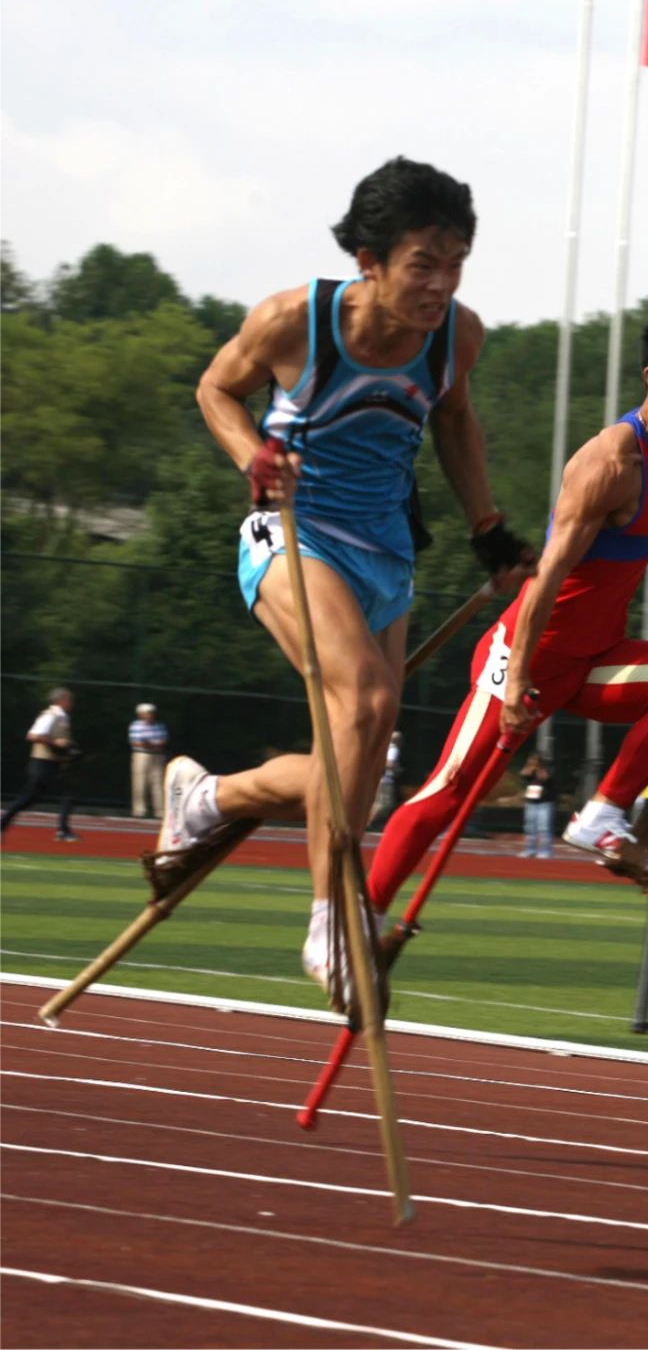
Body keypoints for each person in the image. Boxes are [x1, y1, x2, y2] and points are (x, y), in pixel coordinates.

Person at [146, 157, 534, 993]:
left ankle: (205, 800)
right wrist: (254, 453)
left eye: (455, 262)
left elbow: (457, 420)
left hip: (385, 555)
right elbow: (216, 389)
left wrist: (489, 529)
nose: (440, 284)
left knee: (354, 774)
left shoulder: (456, 337)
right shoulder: (296, 321)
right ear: (370, 260)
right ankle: (332, 929)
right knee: (365, 703)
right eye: (422, 263)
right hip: (293, 534)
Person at [364, 308, 648, 918]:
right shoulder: (612, 462)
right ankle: (360, 918)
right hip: (527, 660)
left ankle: (602, 814)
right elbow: (544, 582)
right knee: (448, 794)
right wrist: (515, 684)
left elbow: (643, 517)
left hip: (591, 661)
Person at [1, 687, 79, 841]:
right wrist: (55, 744)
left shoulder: (61, 717)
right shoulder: (50, 716)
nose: (71, 703)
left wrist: (66, 751)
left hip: (50, 764)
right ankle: (63, 831)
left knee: (31, 798)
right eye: (69, 700)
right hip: (42, 764)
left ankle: (62, 830)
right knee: (63, 794)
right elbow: (32, 736)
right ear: (61, 700)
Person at [128, 702, 169, 819]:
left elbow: (163, 741)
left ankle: (159, 811)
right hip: (141, 755)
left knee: (158, 783)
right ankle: (139, 811)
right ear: (141, 714)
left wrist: (150, 744)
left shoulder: (160, 725)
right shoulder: (135, 725)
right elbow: (135, 742)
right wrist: (153, 744)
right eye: (148, 713)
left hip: (157, 755)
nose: (151, 715)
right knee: (139, 782)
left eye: (152, 713)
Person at [519, 753, 557, 859]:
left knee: (543, 828)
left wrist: (539, 768)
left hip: (544, 803)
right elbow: (523, 773)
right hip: (531, 802)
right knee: (529, 828)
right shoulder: (530, 770)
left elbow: (544, 777)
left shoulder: (547, 769)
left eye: (535, 761)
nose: (533, 764)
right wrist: (530, 767)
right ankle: (530, 850)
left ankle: (545, 851)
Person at [368, 731, 403, 829]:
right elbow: (390, 763)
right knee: (385, 803)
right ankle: (370, 822)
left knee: (381, 802)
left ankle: (374, 822)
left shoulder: (386, 747)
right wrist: (397, 769)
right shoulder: (394, 749)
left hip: (383, 780)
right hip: (387, 780)